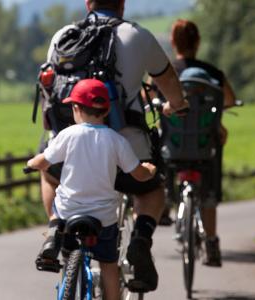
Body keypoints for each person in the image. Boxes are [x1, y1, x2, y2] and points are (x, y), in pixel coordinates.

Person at [36, 0, 189, 293]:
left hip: (68, 153)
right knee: (151, 188)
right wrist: (177, 105)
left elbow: (52, 92)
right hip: (124, 148)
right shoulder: (137, 36)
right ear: (122, 4)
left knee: (49, 175)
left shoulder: (63, 36)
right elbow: (168, 80)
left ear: (88, 3)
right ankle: (141, 240)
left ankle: (56, 226)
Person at [28, 78, 158, 300]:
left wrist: (30, 164)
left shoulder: (67, 135)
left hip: (69, 213)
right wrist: (149, 170)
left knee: (59, 218)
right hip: (104, 218)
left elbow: (44, 162)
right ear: (107, 110)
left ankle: (53, 238)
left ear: (76, 108)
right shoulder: (116, 140)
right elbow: (138, 174)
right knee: (108, 265)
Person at [167, 19, 239, 267]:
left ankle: (165, 199)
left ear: (172, 41)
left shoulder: (167, 71)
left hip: (173, 147)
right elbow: (229, 99)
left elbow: (151, 99)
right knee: (208, 184)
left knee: (157, 141)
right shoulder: (213, 73)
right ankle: (211, 243)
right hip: (204, 146)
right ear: (198, 42)